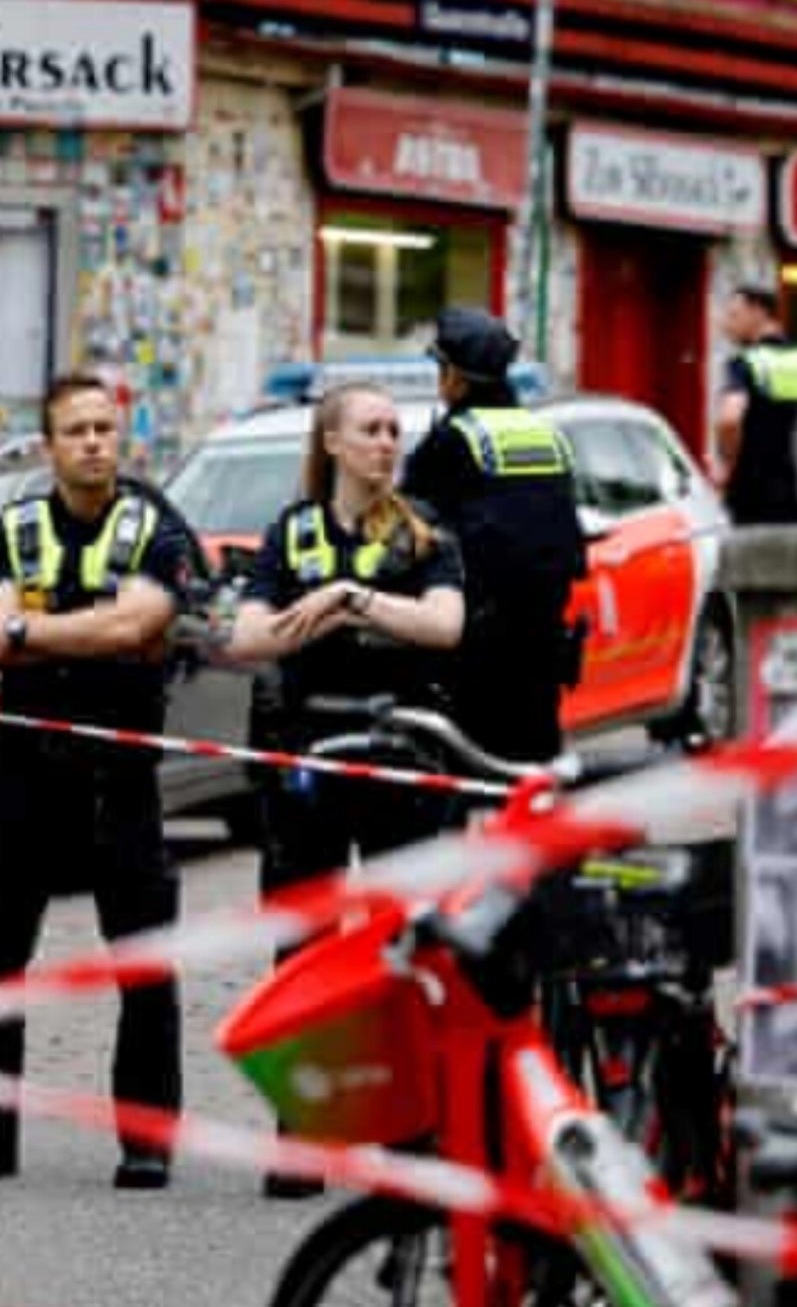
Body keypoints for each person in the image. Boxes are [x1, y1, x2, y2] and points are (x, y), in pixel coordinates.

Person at [0, 374, 189, 1191]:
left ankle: (145, 1142)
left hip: (121, 774)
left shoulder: (156, 531)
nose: (93, 443)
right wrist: (90, 632)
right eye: (76, 431)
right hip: (21, 771)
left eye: (104, 429)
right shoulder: (6, 534)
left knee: (143, 963)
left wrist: (31, 629)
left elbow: (140, 623)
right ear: (49, 447)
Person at [227, 380, 464, 1195]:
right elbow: (248, 636)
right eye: (371, 429)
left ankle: (412, 1139)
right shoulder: (291, 534)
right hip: (310, 761)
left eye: (395, 430)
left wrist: (350, 598)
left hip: (401, 761)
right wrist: (330, 609)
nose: (387, 442)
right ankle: (304, 1138)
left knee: (406, 947)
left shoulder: (424, 533)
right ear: (331, 443)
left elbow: (445, 624)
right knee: (306, 951)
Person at [401, 306, 585, 765]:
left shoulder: (454, 439)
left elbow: (407, 524)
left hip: (477, 644)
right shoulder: (547, 436)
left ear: (456, 378)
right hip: (543, 639)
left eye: (441, 370)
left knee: (471, 767)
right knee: (534, 763)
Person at [714, 284, 797, 526]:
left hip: (754, 499)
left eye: (734, 315)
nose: (726, 325)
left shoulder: (746, 362)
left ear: (759, 312)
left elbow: (729, 419)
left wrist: (728, 464)